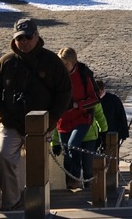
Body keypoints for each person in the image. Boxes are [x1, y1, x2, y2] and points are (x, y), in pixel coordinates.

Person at [0, 18, 72, 211]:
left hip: (41, 124)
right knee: (1, 157)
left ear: (37, 36)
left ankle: (38, 206)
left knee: (37, 168)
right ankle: (11, 203)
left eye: (27, 37)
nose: (23, 41)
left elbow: (65, 91)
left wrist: (52, 119)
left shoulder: (51, 62)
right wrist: (3, 117)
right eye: (19, 38)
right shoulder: (6, 62)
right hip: (10, 123)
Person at [55, 47, 101, 190]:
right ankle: (71, 182)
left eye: (66, 64)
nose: (63, 68)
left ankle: (77, 176)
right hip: (63, 121)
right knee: (66, 154)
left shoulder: (84, 75)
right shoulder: (56, 75)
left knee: (72, 144)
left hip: (82, 118)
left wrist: (77, 105)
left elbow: (96, 98)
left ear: (73, 62)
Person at [52, 100, 108, 190]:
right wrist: (55, 142)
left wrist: (103, 131)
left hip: (89, 136)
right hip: (68, 132)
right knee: (69, 161)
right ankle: (72, 184)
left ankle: (89, 185)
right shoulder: (63, 95)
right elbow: (58, 120)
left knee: (88, 163)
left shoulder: (88, 94)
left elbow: (99, 114)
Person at [95, 79, 130, 151]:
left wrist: (123, 133)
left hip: (112, 133)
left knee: (112, 155)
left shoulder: (114, 100)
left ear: (102, 89)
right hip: (97, 135)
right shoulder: (92, 100)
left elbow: (121, 117)